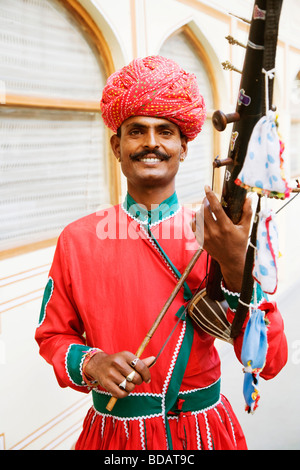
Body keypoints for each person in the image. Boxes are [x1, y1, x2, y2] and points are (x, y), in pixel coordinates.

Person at [35, 56, 287, 450]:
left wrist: (235, 262)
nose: (151, 142)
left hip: (204, 434)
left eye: (165, 132)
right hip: (114, 437)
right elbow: (52, 335)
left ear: (183, 147)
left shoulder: (218, 233)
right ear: (118, 147)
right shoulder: (77, 239)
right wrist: (92, 362)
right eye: (137, 131)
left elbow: (270, 361)